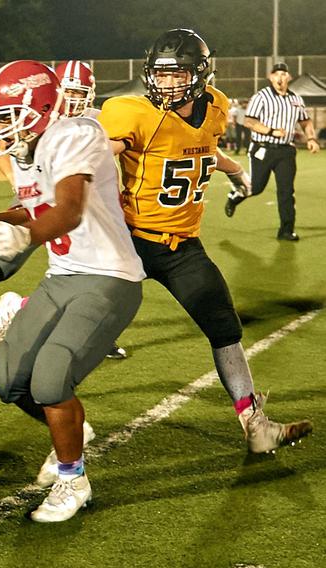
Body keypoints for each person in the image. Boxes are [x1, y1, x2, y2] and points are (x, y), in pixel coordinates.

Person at [0, 60, 145, 522]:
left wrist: (27, 236)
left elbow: (70, 209)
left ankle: (73, 479)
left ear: (37, 107)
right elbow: (31, 205)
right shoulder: (28, 149)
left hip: (109, 275)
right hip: (63, 274)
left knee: (51, 378)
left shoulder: (75, 133)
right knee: (9, 381)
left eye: (5, 114)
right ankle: (74, 429)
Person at [98, 29, 312, 452]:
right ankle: (23, 311)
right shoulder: (132, 113)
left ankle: (256, 425)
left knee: (224, 328)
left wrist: (234, 170)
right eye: (160, 75)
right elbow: (106, 150)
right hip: (129, 239)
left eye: (177, 74)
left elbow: (200, 147)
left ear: (199, 73)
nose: (167, 83)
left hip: (182, 246)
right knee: (85, 321)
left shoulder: (215, 105)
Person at [0, 59, 127, 360]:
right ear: (54, 94)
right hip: (45, 204)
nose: (74, 99)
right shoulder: (46, 125)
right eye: (69, 91)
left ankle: (95, 333)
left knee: (105, 269)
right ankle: (10, 296)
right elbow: (7, 149)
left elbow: (120, 143)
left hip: (87, 206)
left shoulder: (95, 121)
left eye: (81, 92)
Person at [224, 62, 321, 240]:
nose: (280, 77)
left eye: (283, 74)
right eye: (276, 74)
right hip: (263, 148)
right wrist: (271, 131)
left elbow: (306, 122)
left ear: (289, 78)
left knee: (286, 191)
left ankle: (286, 230)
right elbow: (250, 122)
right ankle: (235, 196)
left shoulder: (296, 99)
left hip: (285, 151)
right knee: (257, 187)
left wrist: (312, 139)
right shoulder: (261, 96)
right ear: (270, 77)